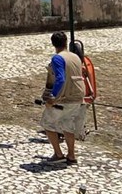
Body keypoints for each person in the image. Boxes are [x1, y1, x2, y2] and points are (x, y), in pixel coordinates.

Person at [40, 31, 86, 166]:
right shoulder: (76, 57)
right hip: (78, 96)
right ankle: (71, 155)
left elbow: (60, 79)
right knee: (67, 125)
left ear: (53, 44)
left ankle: (58, 154)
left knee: (47, 124)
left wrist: (52, 97)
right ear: (66, 42)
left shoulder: (57, 58)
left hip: (65, 97)